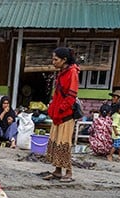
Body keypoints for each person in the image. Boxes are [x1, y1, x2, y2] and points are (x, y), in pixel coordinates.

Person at [42, 47, 80, 182]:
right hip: (57, 115)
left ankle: (69, 172)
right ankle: (58, 170)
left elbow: (71, 96)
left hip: (65, 115)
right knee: (56, 142)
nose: (53, 62)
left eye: (55, 59)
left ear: (64, 60)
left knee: (64, 144)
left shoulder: (72, 73)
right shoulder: (62, 72)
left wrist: (60, 109)